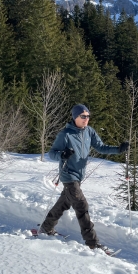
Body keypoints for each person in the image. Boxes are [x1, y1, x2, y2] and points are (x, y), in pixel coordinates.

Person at [39, 104, 129, 252]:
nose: (86, 119)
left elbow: (101, 147)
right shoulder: (66, 134)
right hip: (68, 175)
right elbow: (52, 153)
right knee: (81, 206)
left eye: (88, 116)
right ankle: (92, 243)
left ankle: (46, 227)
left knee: (64, 203)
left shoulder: (89, 132)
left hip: (79, 176)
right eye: (83, 116)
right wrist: (62, 154)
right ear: (75, 117)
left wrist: (118, 149)